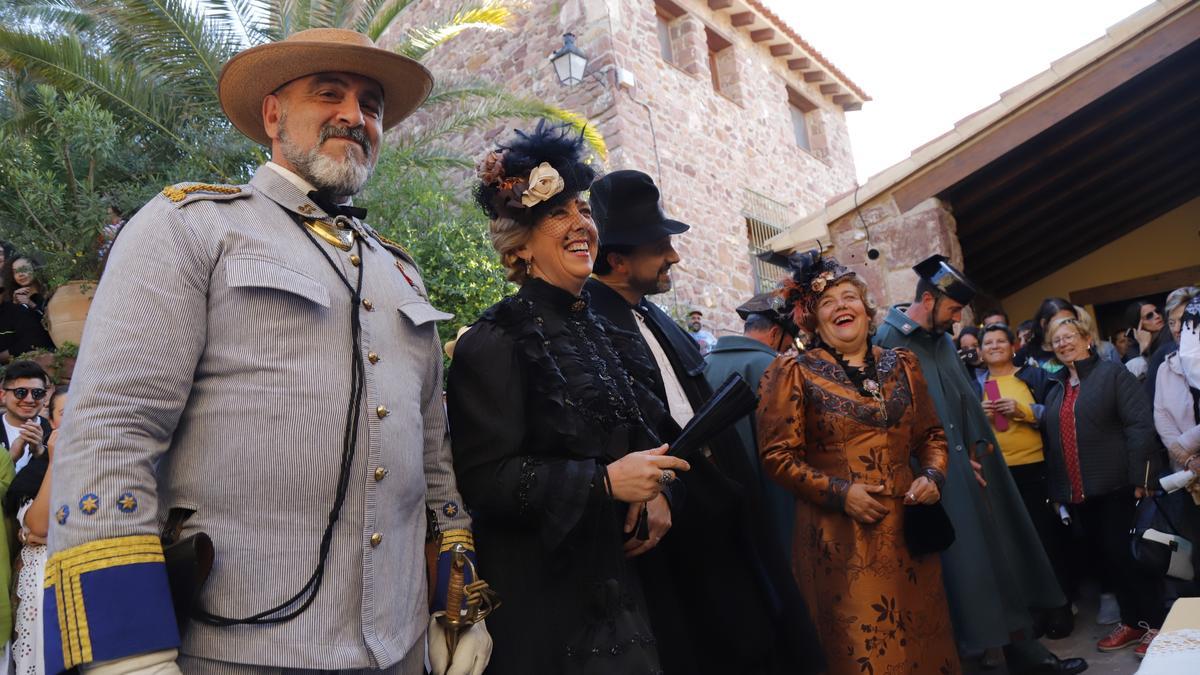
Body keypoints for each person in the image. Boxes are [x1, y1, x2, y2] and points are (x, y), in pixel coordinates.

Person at [45, 28, 489, 675]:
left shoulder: (402, 274)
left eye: (371, 104)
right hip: (232, 654)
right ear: (273, 113)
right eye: (329, 93)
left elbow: (434, 462)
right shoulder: (191, 227)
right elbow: (111, 434)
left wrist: (460, 601)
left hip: (400, 649)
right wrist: (126, 651)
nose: (353, 114)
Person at [447, 122, 691, 674]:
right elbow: (484, 480)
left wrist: (658, 491)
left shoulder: (603, 332)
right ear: (522, 244)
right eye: (558, 213)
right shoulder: (496, 340)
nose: (581, 223)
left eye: (583, 209)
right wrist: (603, 483)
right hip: (545, 607)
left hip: (621, 586)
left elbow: (647, 438)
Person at [586, 170, 823, 674]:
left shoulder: (656, 316)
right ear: (617, 259)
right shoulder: (591, 325)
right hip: (678, 539)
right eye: (658, 247)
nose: (673, 256)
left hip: (721, 516)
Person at [874, 256, 1085, 675]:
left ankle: (1026, 652)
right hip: (938, 481)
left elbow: (964, 403)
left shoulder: (941, 342)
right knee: (966, 573)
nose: (956, 322)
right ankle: (983, 661)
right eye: (952, 310)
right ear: (928, 299)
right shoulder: (887, 345)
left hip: (977, 471)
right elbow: (893, 426)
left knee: (1006, 559)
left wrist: (970, 450)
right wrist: (936, 467)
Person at [756, 251, 960, 675]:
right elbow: (777, 457)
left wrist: (933, 475)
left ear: (867, 310)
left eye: (849, 297)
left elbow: (932, 436)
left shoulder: (903, 364)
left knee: (925, 643)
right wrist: (840, 493)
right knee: (861, 653)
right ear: (814, 321)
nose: (841, 307)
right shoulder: (793, 371)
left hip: (910, 535)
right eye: (828, 303)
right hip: (840, 543)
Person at [1041, 317, 1165, 658]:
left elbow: (1139, 425)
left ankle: (1154, 625)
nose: (1064, 344)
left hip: (1119, 486)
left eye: (1069, 337)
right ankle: (1132, 622)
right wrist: (1058, 492)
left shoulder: (1112, 374)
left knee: (1130, 558)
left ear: (1086, 339)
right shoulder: (1058, 386)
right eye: (1057, 340)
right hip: (1081, 493)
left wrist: (1143, 478)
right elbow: (1053, 444)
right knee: (1107, 563)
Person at [972, 323, 1074, 637]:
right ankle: (1034, 614)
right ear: (979, 351)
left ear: (1013, 344)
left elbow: (1057, 415)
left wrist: (1024, 410)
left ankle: (1060, 610)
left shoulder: (1034, 376)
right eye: (988, 342)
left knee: (1047, 542)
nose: (994, 346)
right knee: (1014, 546)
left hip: (1036, 469)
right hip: (998, 475)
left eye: (1001, 340)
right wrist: (980, 416)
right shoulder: (976, 385)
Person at [704, 292, 799, 559]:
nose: (787, 350)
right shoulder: (777, 366)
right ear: (774, 333)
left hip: (722, 504)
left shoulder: (705, 364)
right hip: (772, 505)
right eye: (788, 343)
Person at [9, 387, 64, 674]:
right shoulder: (39, 468)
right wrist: (55, 461)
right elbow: (38, 526)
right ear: (51, 422)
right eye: (65, 414)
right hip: (46, 587)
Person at [1154, 286, 1200, 473]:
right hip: (1186, 472)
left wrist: (1185, 444)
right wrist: (1187, 459)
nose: (1177, 329)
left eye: (1183, 320)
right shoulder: (1165, 368)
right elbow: (1161, 418)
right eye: (1171, 322)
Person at [2, 360, 52, 476]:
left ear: (45, 397)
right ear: (3, 395)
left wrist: (41, 453)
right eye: (20, 392)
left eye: (37, 393)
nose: (29, 400)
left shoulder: (54, 433)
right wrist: (9, 459)